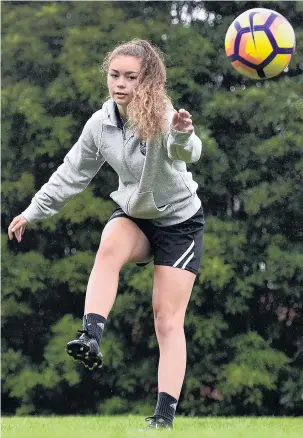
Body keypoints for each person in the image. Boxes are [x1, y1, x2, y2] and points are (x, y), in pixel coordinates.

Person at [8, 39, 204, 430]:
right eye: (115, 75)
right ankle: (91, 335)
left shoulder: (164, 116)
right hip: (136, 215)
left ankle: (163, 418)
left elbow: (189, 152)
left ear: (146, 81)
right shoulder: (100, 124)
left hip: (179, 224)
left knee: (166, 320)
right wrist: (33, 210)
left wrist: (182, 134)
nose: (121, 84)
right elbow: (72, 173)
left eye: (131, 77)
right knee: (110, 243)